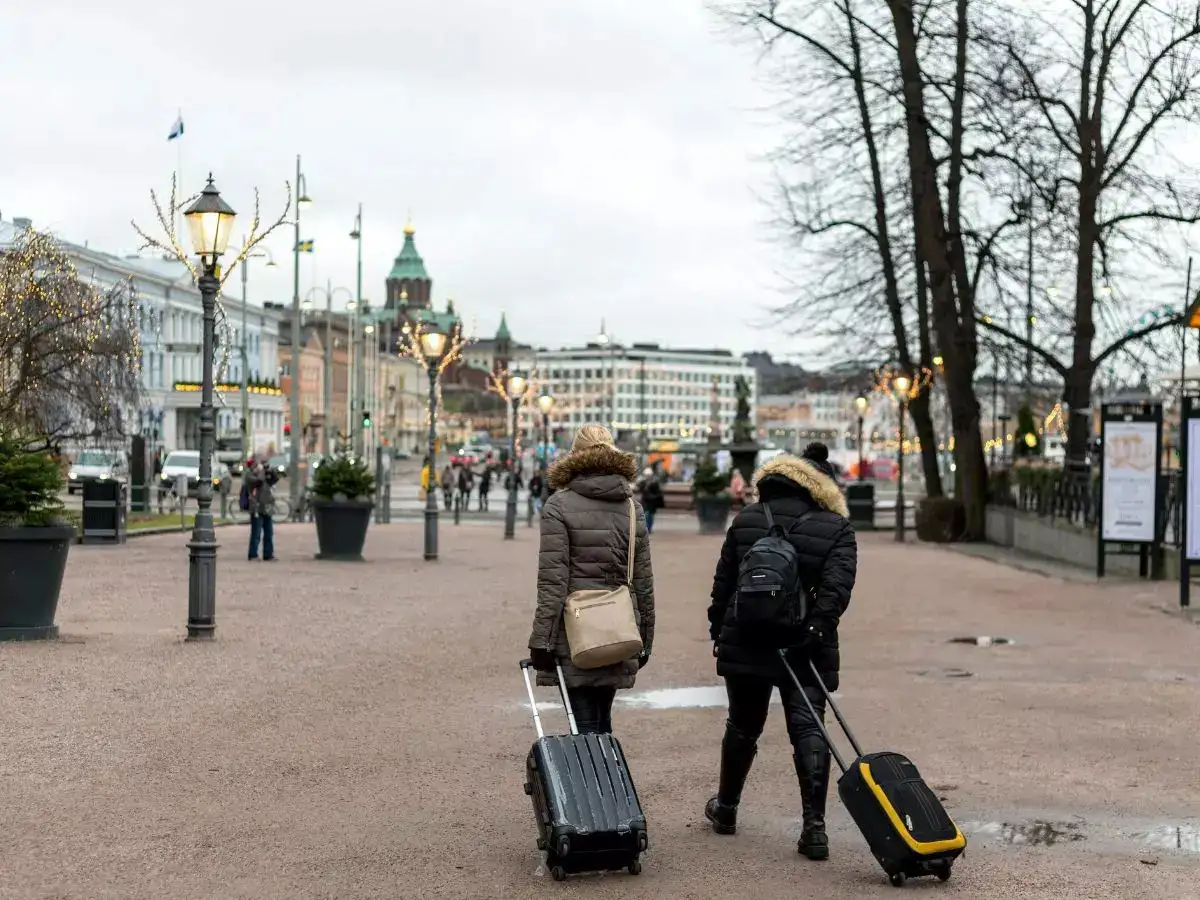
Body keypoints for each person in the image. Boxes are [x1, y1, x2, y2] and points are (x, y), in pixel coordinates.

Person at [703, 442, 857, 861]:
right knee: (809, 729)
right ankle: (814, 828)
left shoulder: (748, 518)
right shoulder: (836, 527)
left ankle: (727, 809)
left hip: (748, 636)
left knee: (742, 726)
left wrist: (719, 630)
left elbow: (724, 584)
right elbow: (836, 590)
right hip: (803, 643)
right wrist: (818, 628)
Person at [527, 425, 656, 734]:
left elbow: (553, 582)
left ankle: (592, 781)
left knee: (583, 726)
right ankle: (610, 778)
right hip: (618, 624)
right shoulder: (631, 508)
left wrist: (541, 641)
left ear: (575, 456)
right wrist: (646, 640)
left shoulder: (558, 505)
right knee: (602, 720)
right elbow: (643, 581)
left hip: (575, 628)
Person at [244, 457, 280, 561]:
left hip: (267, 507)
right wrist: (261, 472)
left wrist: (270, 470)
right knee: (256, 533)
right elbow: (259, 481)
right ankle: (253, 554)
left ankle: (268, 554)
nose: (258, 468)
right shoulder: (249, 476)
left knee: (269, 533)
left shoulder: (264, 475)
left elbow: (275, 479)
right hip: (256, 507)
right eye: (255, 466)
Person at [638, 467, 664, 534]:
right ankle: (648, 528)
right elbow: (640, 488)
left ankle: (649, 528)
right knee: (647, 515)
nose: (647, 477)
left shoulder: (654, 482)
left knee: (650, 515)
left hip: (652, 502)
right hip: (646, 501)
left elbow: (658, 492)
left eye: (648, 475)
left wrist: (654, 497)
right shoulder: (643, 482)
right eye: (646, 475)